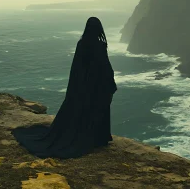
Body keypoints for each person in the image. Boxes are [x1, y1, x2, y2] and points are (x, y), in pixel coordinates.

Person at [11, 17, 117, 159]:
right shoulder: (100, 45)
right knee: (96, 110)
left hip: (81, 87)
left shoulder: (81, 43)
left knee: (81, 112)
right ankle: (98, 138)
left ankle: (83, 136)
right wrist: (110, 83)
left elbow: (77, 69)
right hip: (96, 87)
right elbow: (105, 67)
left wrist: (76, 89)